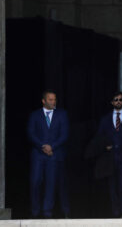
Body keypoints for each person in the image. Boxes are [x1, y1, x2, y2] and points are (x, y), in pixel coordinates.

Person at [27, 90, 69, 218]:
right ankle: (35, 211)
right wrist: (42, 146)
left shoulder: (62, 114)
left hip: (54, 154)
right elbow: (30, 133)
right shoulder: (35, 115)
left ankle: (47, 212)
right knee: (35, 181)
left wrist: (52, 147)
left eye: (54, 99)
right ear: (43, 101)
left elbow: (65, 134)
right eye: (50, 100)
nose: (53, 102)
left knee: (51, 183)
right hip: (38, 155)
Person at [88, 92, 122, 218]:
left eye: (121, 100)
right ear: (112, 102)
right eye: (116, 99)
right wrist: (104, 146)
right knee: (112, 186)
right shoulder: (105, 119)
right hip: (110, 157)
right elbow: (99, 136)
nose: (118, 101)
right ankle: (115, 213)